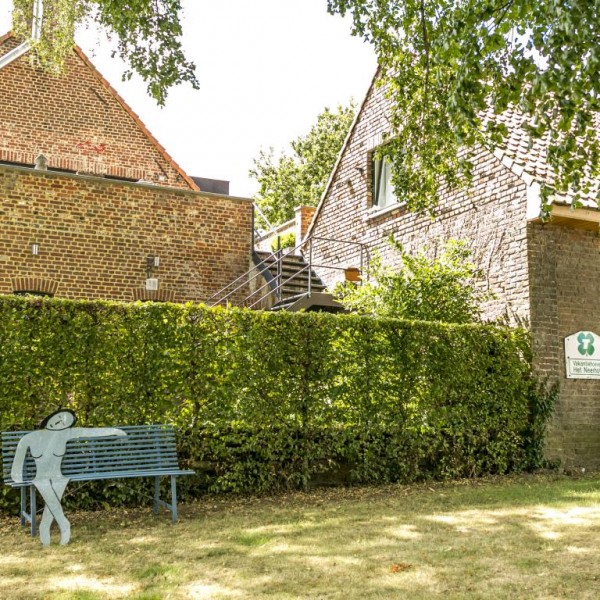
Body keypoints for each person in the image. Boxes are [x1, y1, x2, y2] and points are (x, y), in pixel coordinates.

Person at [10, 409, 127, 546]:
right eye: (59, 418)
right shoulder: (30, 437)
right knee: (45, 487)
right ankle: (62, 522)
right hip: (40, 478)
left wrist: (115, 431)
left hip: (59, 477)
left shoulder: (66, 434)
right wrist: (16, 475)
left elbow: (90, 432)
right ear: (51, 417)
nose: (60, 422)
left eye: (65, 423)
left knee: (53, 492)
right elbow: (18, 458)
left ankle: (45, 526)